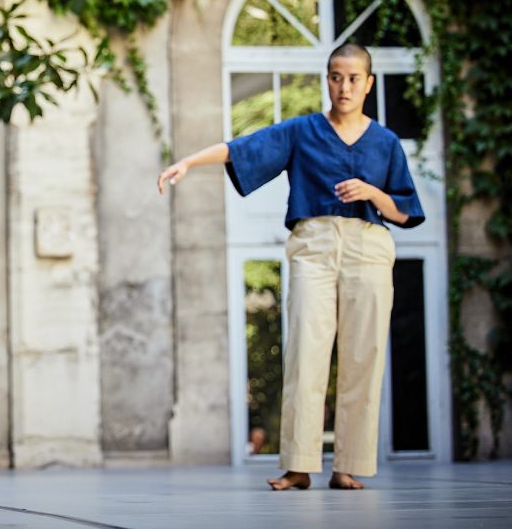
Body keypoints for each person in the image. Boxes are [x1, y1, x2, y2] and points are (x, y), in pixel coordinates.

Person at [157, 44, 424, 490]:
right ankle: (299, 467)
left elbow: (405, 211)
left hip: (368, 247)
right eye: (336, 77)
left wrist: (372, 194)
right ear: (327, 80)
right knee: (305, 352)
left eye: (354, 78)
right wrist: (188, 162)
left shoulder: (386, 142)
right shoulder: (303, 130)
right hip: (314, 246)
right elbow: (244, 147)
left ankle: (347, 466)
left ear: (369, 84)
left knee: (364, 357)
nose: (345, 86)